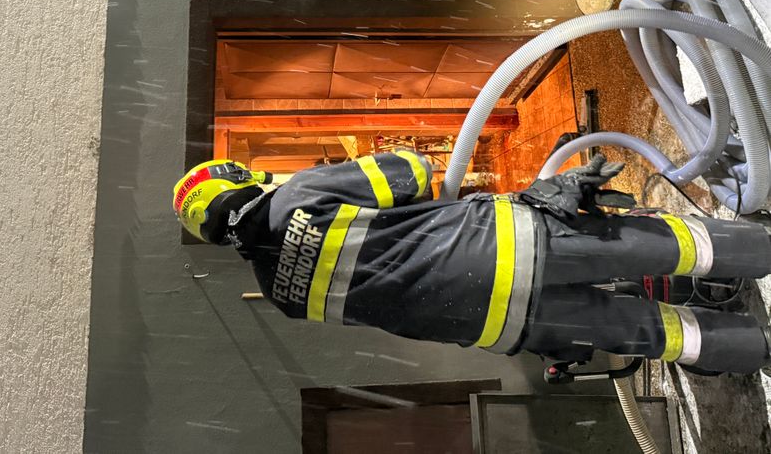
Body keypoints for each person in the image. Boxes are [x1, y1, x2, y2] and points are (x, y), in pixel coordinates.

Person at [172, 151, 771, 375]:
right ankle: (760, 251)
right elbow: (409, 172)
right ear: (237, 179)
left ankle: (755, 348)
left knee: (650, 333)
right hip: (506, 244)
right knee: (669, 246)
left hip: (491, 324)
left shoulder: (280, 296)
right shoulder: (295, 194)